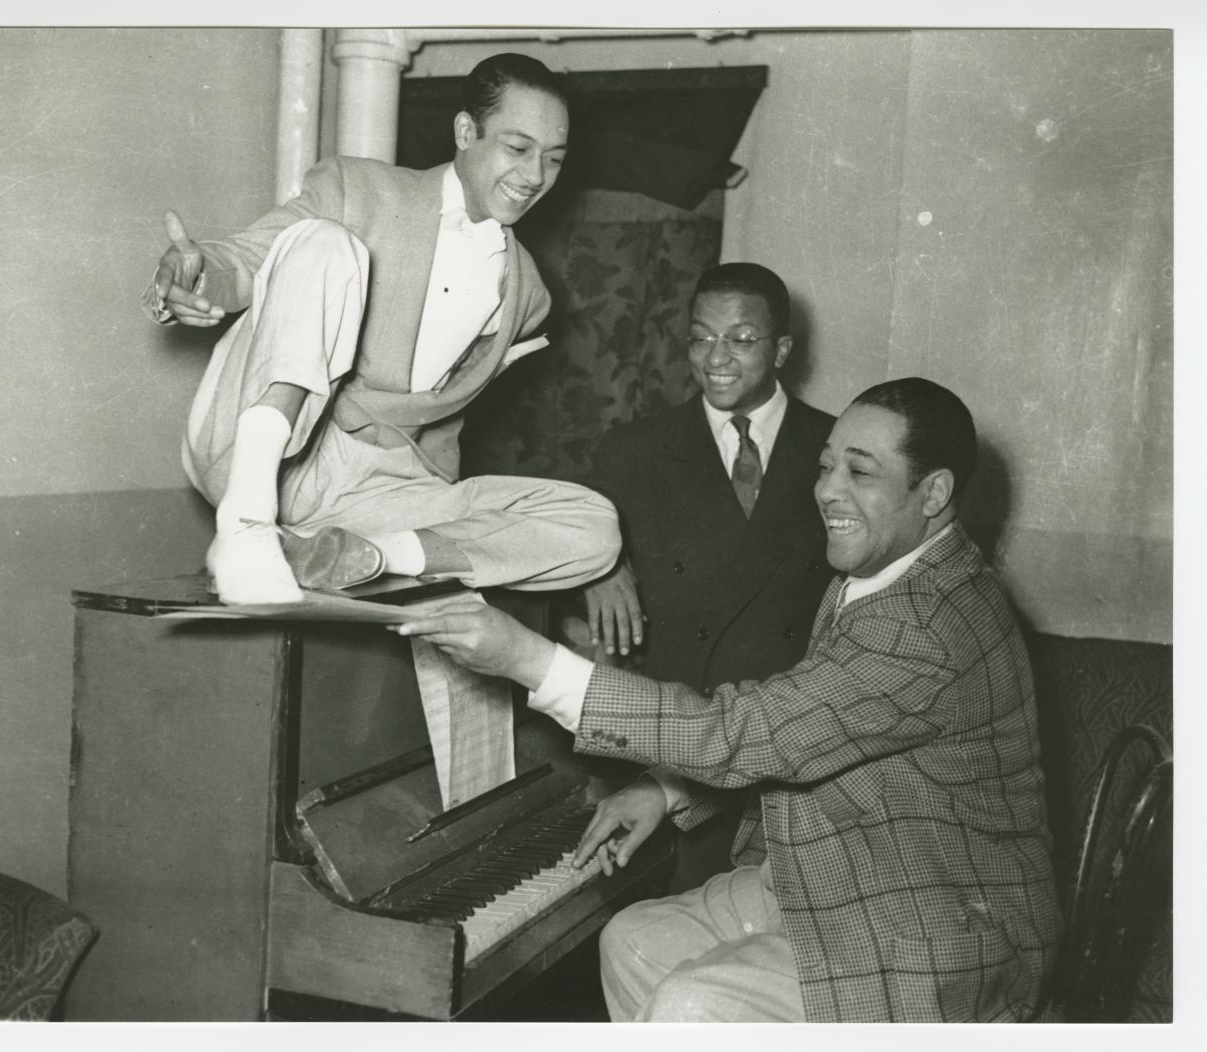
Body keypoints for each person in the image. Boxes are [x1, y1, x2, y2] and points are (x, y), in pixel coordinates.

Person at [396, 377, 1062, 1023]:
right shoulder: (885, 572)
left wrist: (527, 659)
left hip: (937, 926)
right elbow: (808, 725)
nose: (827, 489)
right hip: (849, 870)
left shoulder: (924, 624)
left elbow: (748, 730)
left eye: (860, 473)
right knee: (630, 942)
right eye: (826, 464)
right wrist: (666, 792)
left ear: (934, 492)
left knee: (694, 1007)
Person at [144, 53, 620, 603]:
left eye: (553, 159)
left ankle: (361, 557)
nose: (535, 176)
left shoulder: (529, 296)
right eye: (517, 149)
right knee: (324, 240)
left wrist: (430, 522)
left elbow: (441, 422)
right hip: (268, 444)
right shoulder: (357, 188)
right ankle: (247, 526)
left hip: (375, 491)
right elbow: (252, 257)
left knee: (596, 525)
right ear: (466, 132)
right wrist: (198, 276)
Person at [577, 261, 835, 891]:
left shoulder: (835, 448)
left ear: (782, 349)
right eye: (700, 338)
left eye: (741, 340)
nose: (716, 358)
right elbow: (554, 537)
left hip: (784, 761)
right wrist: (597, 565)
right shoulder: (633, 449)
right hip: (662, 756)